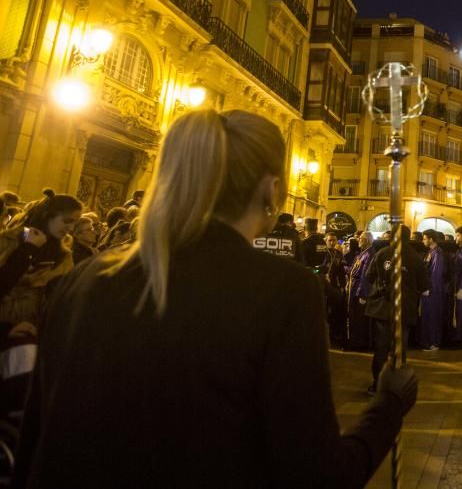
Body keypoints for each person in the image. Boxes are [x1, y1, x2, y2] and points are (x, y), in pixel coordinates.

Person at [13, 110, 417, 487]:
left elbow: (35, 440)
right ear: (272, 190)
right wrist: (388, 406)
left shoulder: (87, 277)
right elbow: (317, 475)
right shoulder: (282, 291)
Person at [0, 192, 81, 330]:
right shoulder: (7, 240)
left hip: (30, 331)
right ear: (48, 216)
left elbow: (60, 303)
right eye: (67, 221)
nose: (71, 228)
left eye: (75, 223)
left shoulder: (63, 256)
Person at [365, 225, 427, 395]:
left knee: (381, 349)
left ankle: (378, 384)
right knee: (400, 349)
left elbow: (369, 277)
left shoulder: (382, 253)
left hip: (383, 309)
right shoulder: (415, 258)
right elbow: (424, 285)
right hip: (405, 309)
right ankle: (397, 386)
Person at [346, 232, 375, 351]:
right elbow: (354, 268)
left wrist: (362, 293)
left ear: (367, 240)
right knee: (355, 317)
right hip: (354, 288)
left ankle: (361, 344)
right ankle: (355, 341)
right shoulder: (362, 253)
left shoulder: (370, 254)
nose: (359, 240)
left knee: (360, 319)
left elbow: (366, 275)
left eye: (361, 239)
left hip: (360, 291)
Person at [419, 230, 446, 351]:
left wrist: (429, 288)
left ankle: (433, 342)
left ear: (431, 239)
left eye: (425, 238)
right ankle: (427, 341)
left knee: (433, 317)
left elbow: (436, 273)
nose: (423, 241)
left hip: (433, 291)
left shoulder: (438, 253)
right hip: (427, 289)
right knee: (427, 317)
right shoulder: (430, 252)